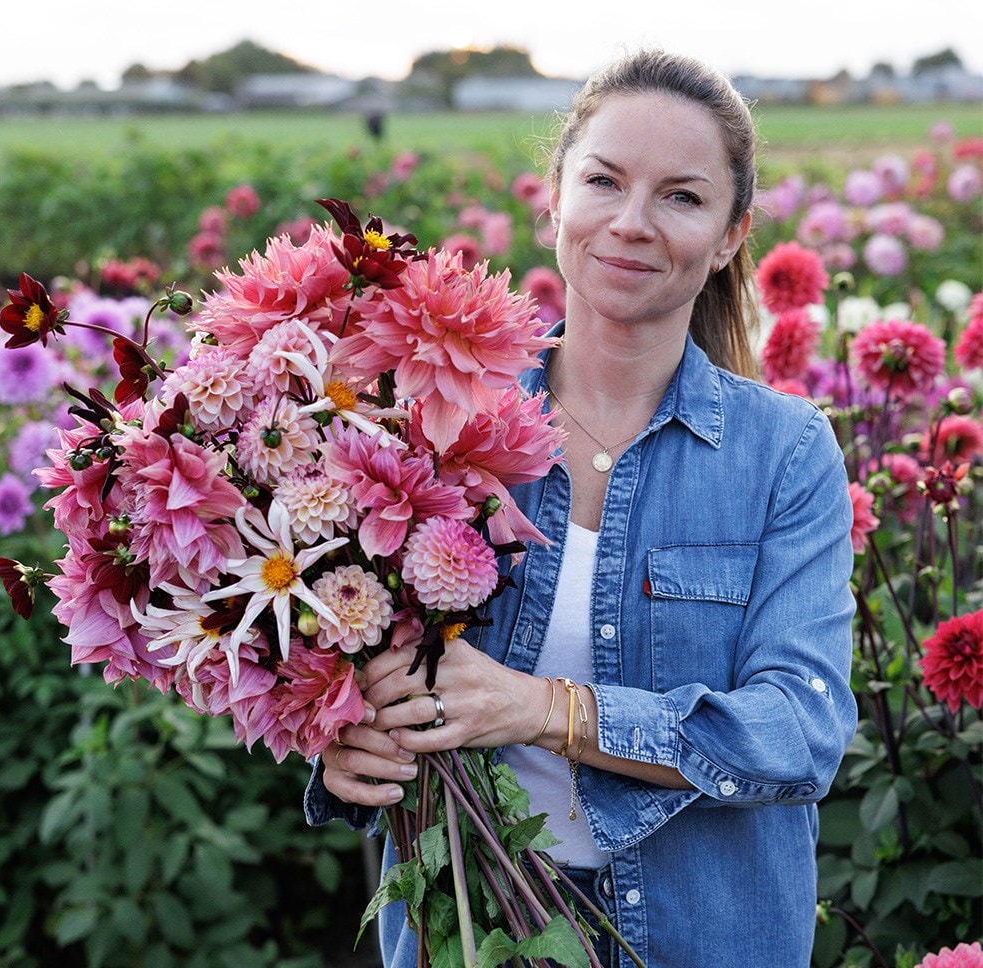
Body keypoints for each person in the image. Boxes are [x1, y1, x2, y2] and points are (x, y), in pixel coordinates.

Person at [305, 47, 858, 968]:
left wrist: (543, 709)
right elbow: (342, 642)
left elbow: (798, 734)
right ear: (555, 198)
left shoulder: (785, 455)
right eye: (604, 181)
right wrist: (340, 740)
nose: (632, 224)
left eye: (682, 197)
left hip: (703, 937)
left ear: (730, 235)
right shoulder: (434, 420)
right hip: (469, 933)